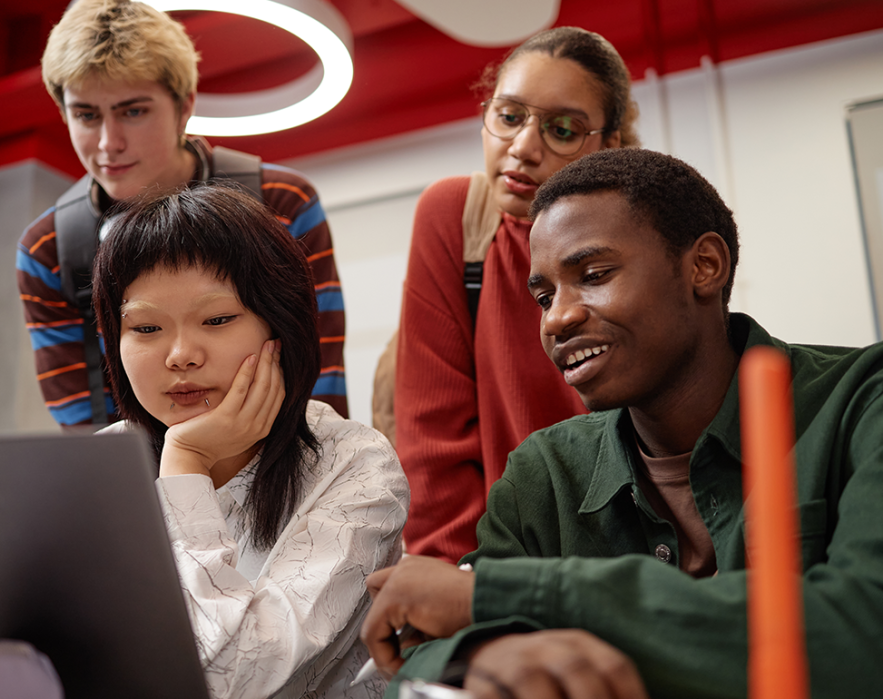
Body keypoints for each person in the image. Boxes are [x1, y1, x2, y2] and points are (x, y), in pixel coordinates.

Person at [362, 148, 883, 698]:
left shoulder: (861, 403)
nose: (558, 318)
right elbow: (423, 652)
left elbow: (863, 633)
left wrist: (519, 595)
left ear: (705, 266)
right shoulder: (544, 474)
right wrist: (482, 655)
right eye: (544, 297)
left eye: (593, 275)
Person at [92, 182, 409, 698]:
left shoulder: (355, 465)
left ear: (280, 325)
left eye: (217, 320)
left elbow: (232, 680)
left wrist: (186, 462)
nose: (180, 355)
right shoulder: (98, 467)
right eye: (146, 328)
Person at [17, 0, 347, 428]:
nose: (109, 142)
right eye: (86, 115)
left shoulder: (280, 202)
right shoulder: (49, 248)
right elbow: (84, 426)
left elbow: (319, 378)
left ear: (184, 106)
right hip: (138, 467)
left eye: (133, 111)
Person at [395, 26, 639, 562]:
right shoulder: (455, 218)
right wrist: (461, 582)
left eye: (562, 129)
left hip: (628, 559)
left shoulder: (644, 235)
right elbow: (432, 440)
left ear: (609, 143)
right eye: (509, 117)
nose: (523, 148)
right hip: (498, 558)